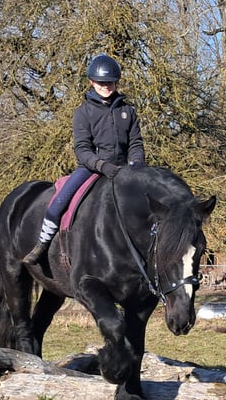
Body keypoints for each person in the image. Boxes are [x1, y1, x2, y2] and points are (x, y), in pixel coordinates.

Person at [22, 54, 145, 264]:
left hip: (124, 169)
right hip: (91, 168)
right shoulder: (83, 112)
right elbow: (83, 149)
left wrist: (135, 166)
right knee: (56, 204)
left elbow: (135, 143)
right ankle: (42, 244)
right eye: (101, 82)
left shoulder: (127, 111)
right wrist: (102, 166)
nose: (106, 86)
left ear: (116, 81)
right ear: (92, 82)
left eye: (110, 82)